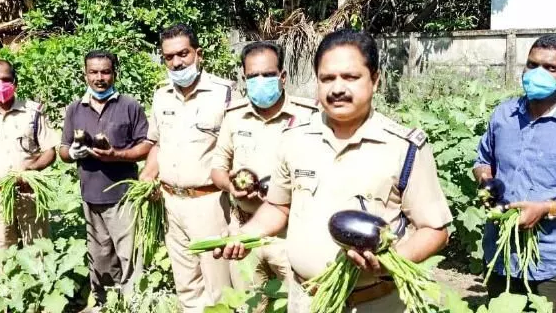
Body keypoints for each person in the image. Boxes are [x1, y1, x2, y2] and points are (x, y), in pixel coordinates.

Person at [215, 29, 452, 313]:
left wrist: (390, 262)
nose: (337, 88)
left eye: (351, 77)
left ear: (375, 80)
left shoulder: (403, 146)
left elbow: (435, 230)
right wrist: (246, 234)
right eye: (327, 78)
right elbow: (278, 206)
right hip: (307, 300)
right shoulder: (295, 139)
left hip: (375, 302)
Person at [474, 34, 556, 311]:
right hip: (502, 255)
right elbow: (482, 160)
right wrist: (487, 181)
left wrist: (548, 208)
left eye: (550, 68)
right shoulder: (504, 114)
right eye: (532, 65)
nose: (537, 74)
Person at [140, 23, 235, 312]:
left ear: (198, 54)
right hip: (170, 203)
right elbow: (157, 143)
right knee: (186, 283)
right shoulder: (161, 96)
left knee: (218, 283)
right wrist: (147, 175)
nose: (177, 62)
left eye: (183, 54)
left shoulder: (224, 93)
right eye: (169, 57)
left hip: (208, 204)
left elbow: (236, 149)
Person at [210, 41, 317, 289]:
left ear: (283, 77)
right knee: (250, 303)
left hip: (292, 232)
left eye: (268, 75)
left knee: (300, 300)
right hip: (244, 230)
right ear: (244, 79)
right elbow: (217, 169)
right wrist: (230, 186)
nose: (260, 81)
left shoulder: (308, 117)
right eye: (253, 76)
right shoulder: (234, 116)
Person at [58, 50, 152, 308]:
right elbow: (64, 149)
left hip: (123, 197)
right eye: (94, 72)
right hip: (91, 197)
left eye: (105, 72)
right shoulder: (75, 109)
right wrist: (72, 153)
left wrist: (117, 155)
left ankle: (135, 304)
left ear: (114, 73)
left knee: (130, 257)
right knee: (99, 258)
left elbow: (146, 145)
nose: (100, 78)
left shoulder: (129, 106)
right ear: (85, 74)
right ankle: (106, 304)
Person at [0, 59, 59, 250]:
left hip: (29, 194)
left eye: (6, 79)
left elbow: (50, 151)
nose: (0, 85)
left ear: (15, 83)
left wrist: (32, 168)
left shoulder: (33, 113)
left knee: (39, 253)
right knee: (2, 256)